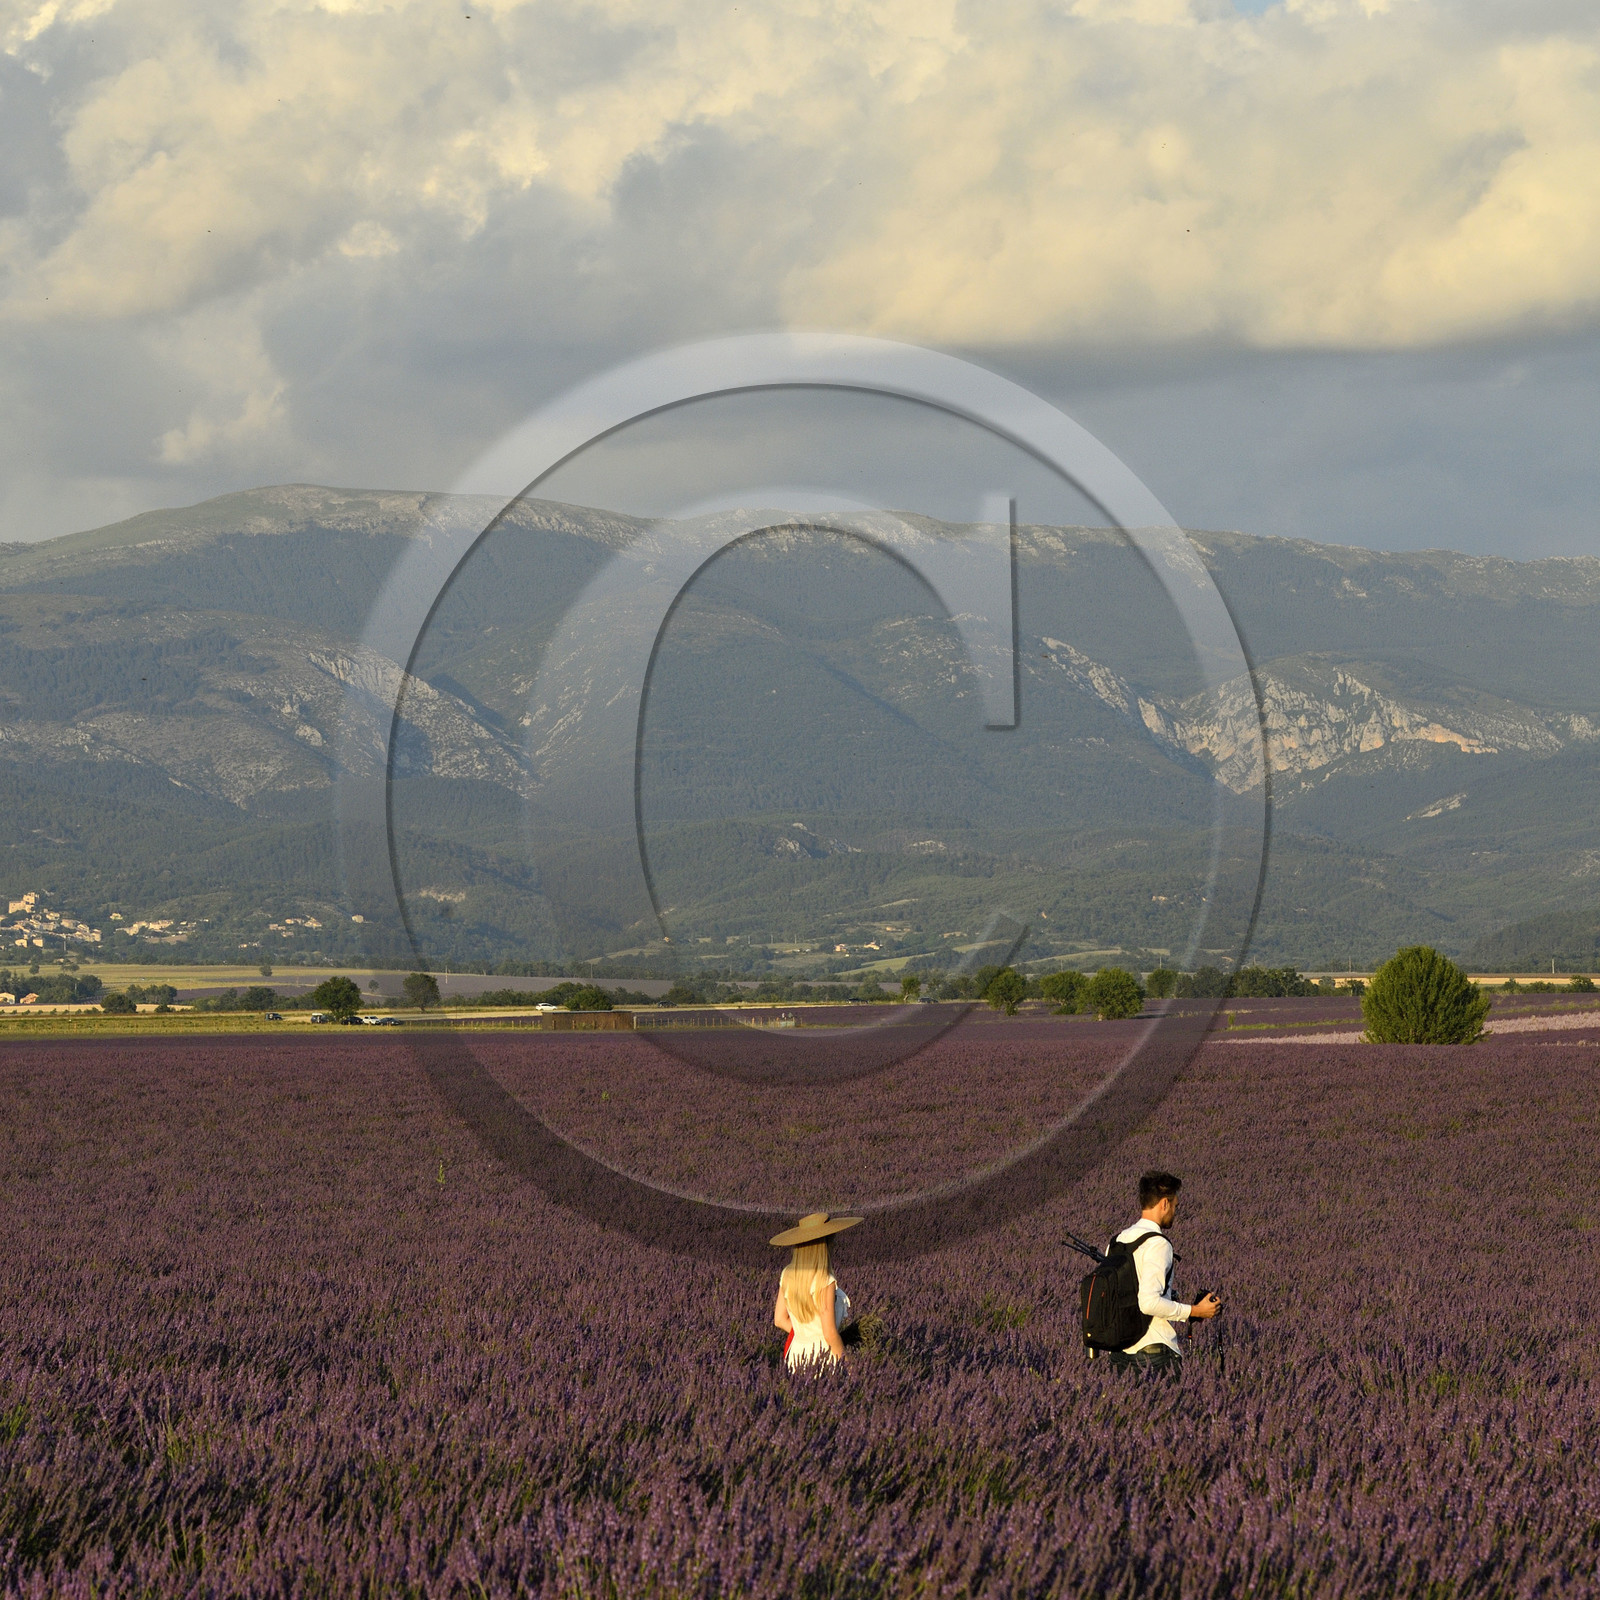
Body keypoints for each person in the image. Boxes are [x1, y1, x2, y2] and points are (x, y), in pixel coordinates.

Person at [1107, 1170, 1220, 1376]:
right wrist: (1195, 1311)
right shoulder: (1158, 1244)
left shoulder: (1117, 1241)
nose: (1175, 1212)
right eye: (1175, 1205)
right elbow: (1148, 1303)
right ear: (1164, 1204)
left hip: (1118, 1352)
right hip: (1153, 1354)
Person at [770, 1211, 861, 1371]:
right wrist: (850, 1367)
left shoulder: (787, 1274)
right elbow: (829, 1333)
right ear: (824, 1244)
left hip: (796, 1355)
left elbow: (779, 1320)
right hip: (823, 1358)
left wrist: (805, 1335)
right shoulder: (824, 1280)